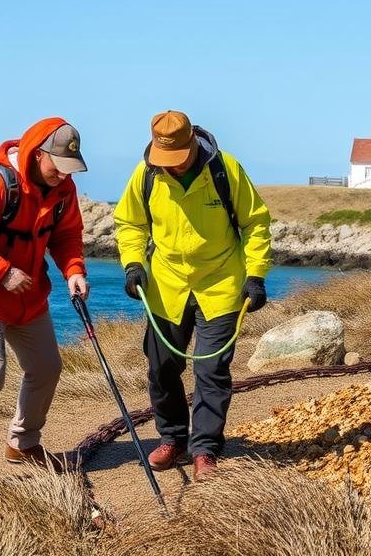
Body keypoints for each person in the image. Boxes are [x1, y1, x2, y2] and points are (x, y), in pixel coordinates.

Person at [114, 110, 272, 481]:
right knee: (162, 367)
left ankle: (205, 449)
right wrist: (133, 264)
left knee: (211, 369)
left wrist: (256, 275)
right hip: (166, 285)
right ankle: (172, 438)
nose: (169, 166)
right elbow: (130, 223)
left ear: (192, 146)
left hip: (221, 284)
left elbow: (256, 222)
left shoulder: (225, 169)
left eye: (176, 160)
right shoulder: (147, 173)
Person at [0, 117, 90, 475]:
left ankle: (23, 443)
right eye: (58, 166)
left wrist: (74, 271)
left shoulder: (63, 189)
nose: (63, 175)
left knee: (46, 367)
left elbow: (67, 236)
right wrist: (3, 272)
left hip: (29, 297)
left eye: (70, 168)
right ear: (39, 154)